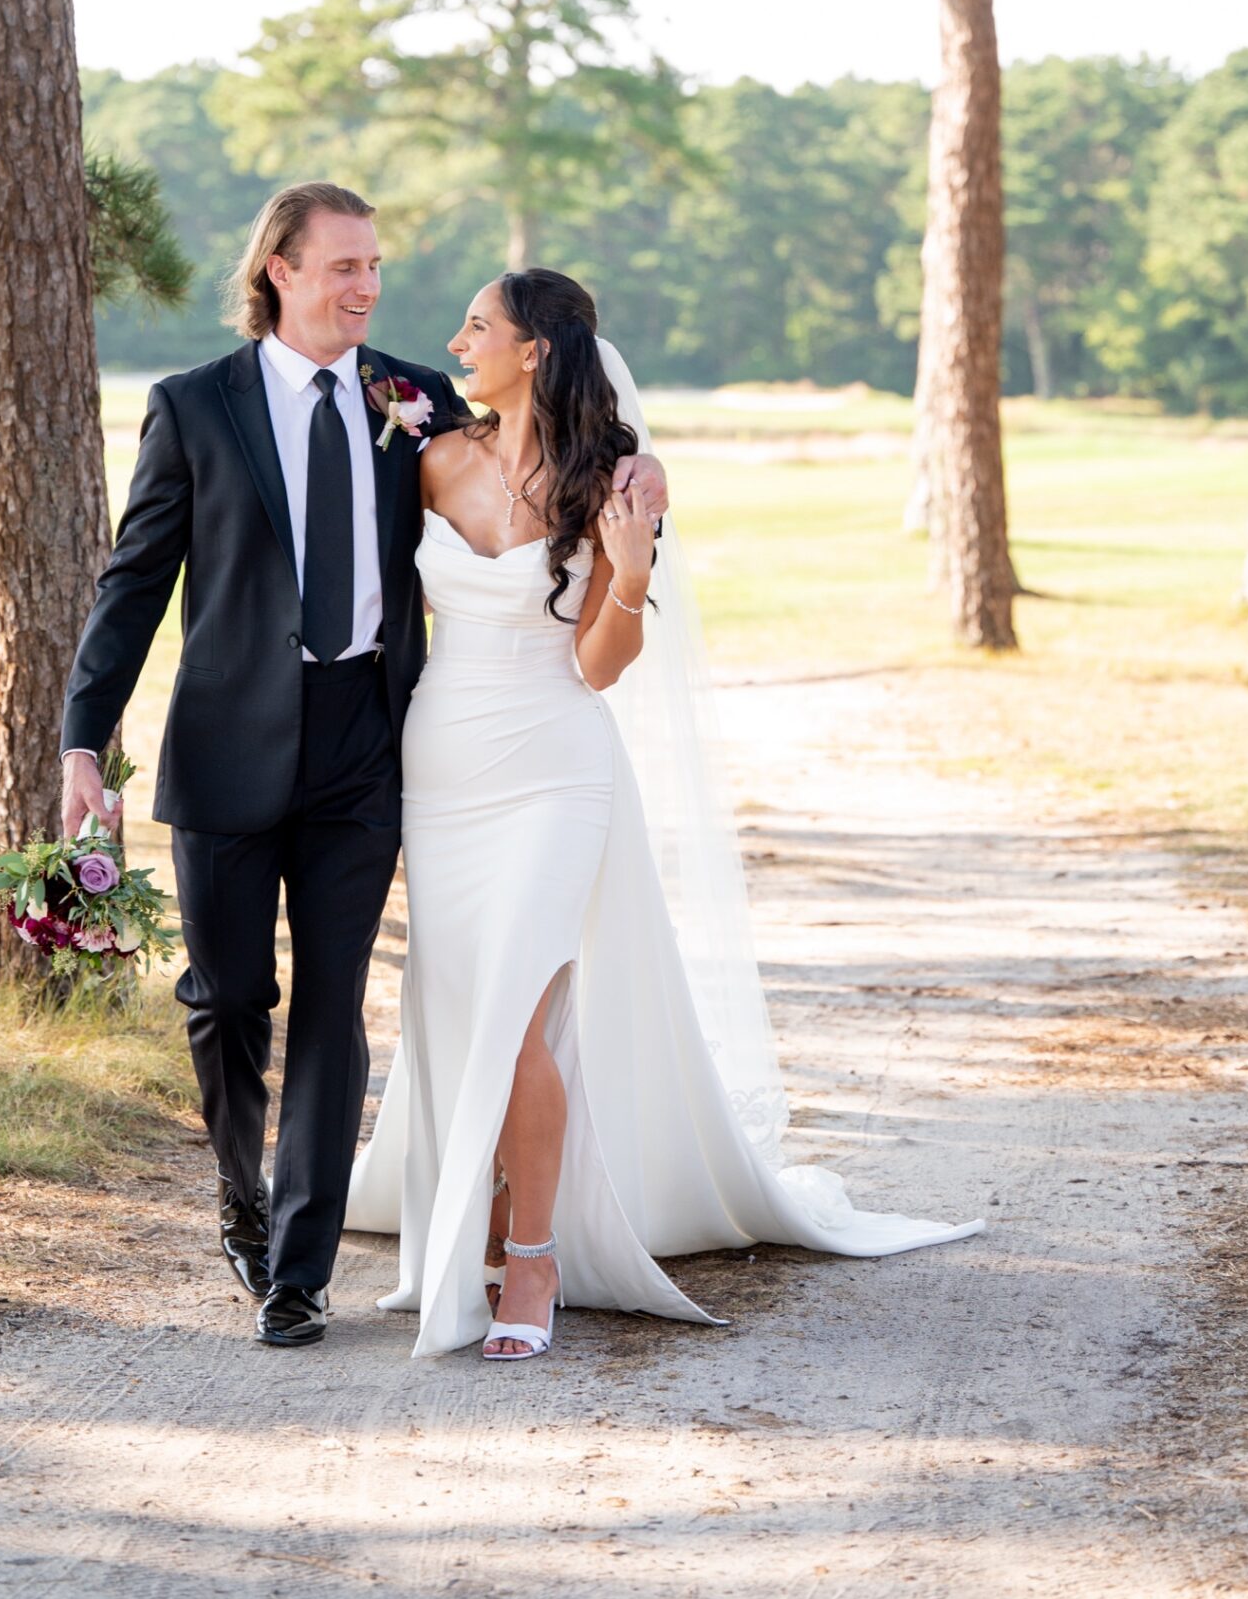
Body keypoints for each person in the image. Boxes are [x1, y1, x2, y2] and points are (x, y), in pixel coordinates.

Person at [57, 187, 668, 1348]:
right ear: (279, 269)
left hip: (371, 746)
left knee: (337, 1004)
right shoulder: (192, 407)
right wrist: (86, 736)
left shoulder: (420, 402)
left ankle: (299, 1269)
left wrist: (639, 483)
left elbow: (562, 458)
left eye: (375, 266)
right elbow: (134, 582)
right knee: (228, 996)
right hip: (228, 742)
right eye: (344, 266)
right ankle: (240, 1189)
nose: (368, 288)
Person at [345, 268, 983, 1360]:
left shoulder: (617, 480)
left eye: (479, 326)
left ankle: (533, 1255)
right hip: (442, 758)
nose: (456, 341)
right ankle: (486, 1212)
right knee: (456, 1005)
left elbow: (599, 666)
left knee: (516, 1004)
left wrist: (629, 571)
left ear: (534, 348)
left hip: (554, 759)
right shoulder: (432, 457)